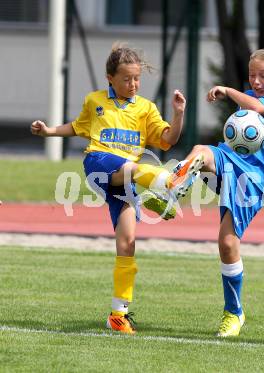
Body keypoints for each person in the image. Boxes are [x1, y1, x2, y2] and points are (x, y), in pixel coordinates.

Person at [31, 43, 204, 334]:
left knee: (128, 243)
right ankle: (168, 182)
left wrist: (179, 114)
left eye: (137, 78)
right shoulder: (95, 101)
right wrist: (49, 131)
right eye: (126, 79)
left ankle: (118, 314)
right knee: (134, 169)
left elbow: (168, 140)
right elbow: (77, 127)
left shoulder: (146, 108)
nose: (133, 84)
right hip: (99, 163)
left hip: (126, 180)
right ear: (110, 78)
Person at [173, 49, 264, 337]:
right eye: (252, 75)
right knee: (201, 152)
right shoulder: (249, 98)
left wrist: (228, 91)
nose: (255, 80)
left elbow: (258, 109)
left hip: (253, 179)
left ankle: (234, 313)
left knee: (227, 243)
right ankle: (169, 193)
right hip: (230, 164)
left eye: (263, 75)